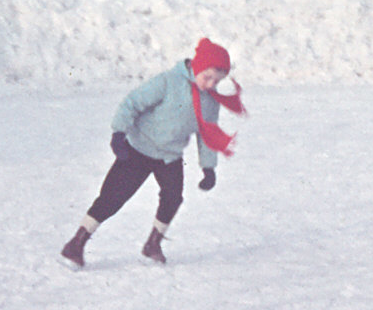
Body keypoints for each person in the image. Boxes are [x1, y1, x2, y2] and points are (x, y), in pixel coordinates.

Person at [61, 38, 245, 267]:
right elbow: (133, 103)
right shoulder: (168, 82)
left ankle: (153, 244)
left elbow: (207, 135)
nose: (210, 84)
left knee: (173, 198)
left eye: (216, 81)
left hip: (169, 157)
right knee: (112, 197)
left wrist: (208, 167)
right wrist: (119, 133)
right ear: (197, 66)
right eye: (207, 77)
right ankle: (76, 244)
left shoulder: (210, 101)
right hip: (139, 149)